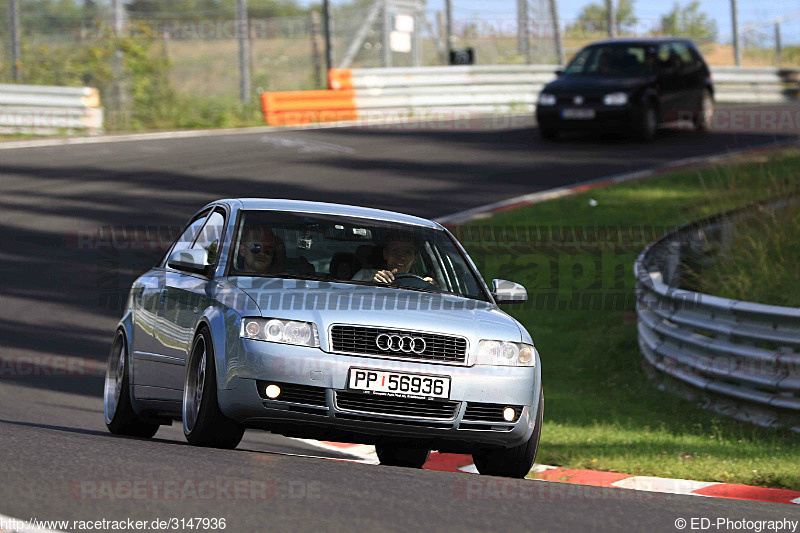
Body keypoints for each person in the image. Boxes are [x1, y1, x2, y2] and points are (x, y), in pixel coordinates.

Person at [352, 236, 435, 285]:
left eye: (407, 252)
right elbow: (348, 298)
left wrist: (431, 289)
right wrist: (372, 284)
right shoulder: (365, 275)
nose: (401, 257)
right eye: (395, 250)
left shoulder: (421, 283)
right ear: (385, 254)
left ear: (415, 259)